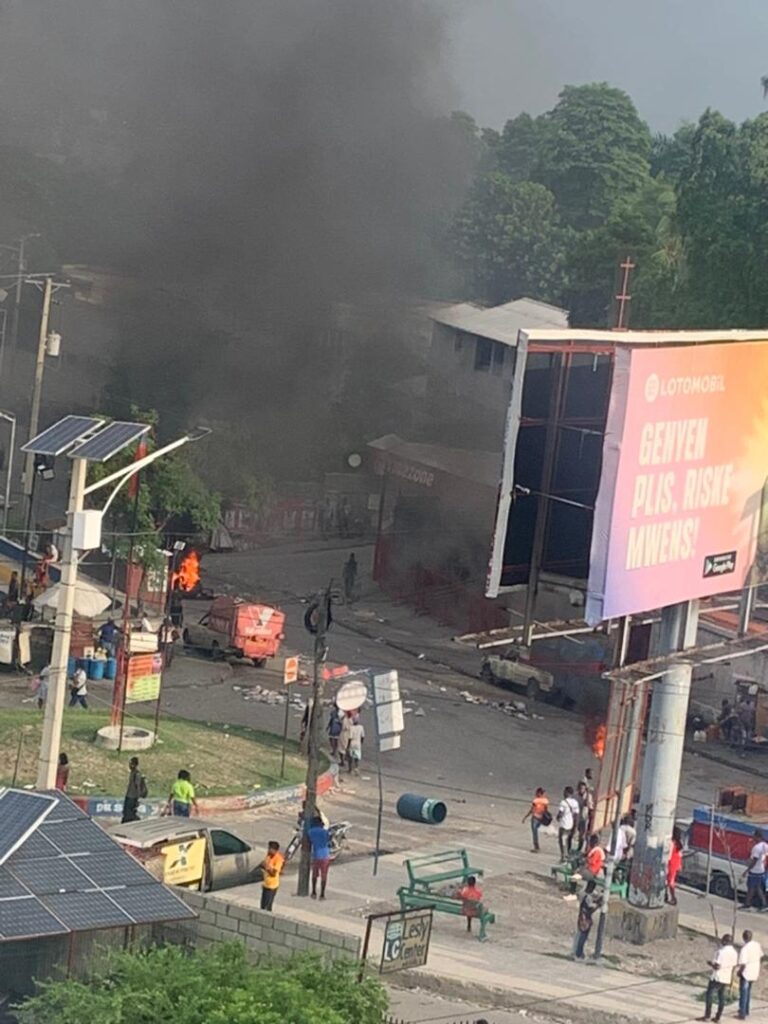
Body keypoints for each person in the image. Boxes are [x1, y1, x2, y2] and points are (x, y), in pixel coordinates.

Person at [699, 934, 737, 1022]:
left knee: (709, 995)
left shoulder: (721, 952)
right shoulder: (734, 953)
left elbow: (717, 966)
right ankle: (718, 1016)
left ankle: (707, 1015)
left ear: (725, 941)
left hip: (717, 977)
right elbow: (734, 965)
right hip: (726, 977)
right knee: (721, 997)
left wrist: (710, 963)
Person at [737, 928, 762, 1019]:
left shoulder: (745, 948)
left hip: (746, 973)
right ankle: (746, 1010)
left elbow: (743, 964)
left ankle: (742, 1012)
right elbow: (760, 955)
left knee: (743, 992)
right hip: (754, 971)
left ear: (744, 938)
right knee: (748, 992)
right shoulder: (757, 945)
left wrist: (739, 972)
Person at [572, 881, 600, 960]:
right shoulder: (588, 897)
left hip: (581, 917)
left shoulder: (583, 894)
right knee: (582, 937)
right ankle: (578, 953)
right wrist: (598, 906)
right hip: (585, 919)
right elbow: (590, 909)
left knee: (580, 935)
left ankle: (578, 952)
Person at [743, 828, 768, 910]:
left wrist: (747, 870)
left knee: (751, 887)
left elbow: (754, 861)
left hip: (755, 871)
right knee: (758, 887)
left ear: (758, 837)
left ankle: (747, 904)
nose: (753, 838)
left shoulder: (757, 848)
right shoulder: (765, 845)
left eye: (754, 836)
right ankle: (764, 904)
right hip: (761, 870)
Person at [307, 815, 331, 899]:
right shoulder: (325, 832)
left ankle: (313, 892)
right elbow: (328, 840)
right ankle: (322, 894)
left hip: (316, 855)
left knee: (314, 874)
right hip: (325, 855)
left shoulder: (310, 832)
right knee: (324, 876)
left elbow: (309, 841)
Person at [522, 787, 550, 853]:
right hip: (541, 817)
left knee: (534, 832)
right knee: (536, 830)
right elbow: (546, 810)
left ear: (538, 793)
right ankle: (536, 846)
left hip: (535, 817)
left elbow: (532, 810)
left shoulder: (536, 801)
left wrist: (525, 817)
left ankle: (536, 847)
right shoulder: (545, 801)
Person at [259, 840, 285, 912]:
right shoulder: (268, 856)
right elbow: (262, 865)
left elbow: (273, 873)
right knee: (262, 905)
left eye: (270, 849)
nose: (269, 850)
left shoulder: (278, 859)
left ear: (275, 850)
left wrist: (266, 867)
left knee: (268, 906)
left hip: (272, 886)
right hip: (266, 884)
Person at [122, 757, 146, 824]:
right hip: (128, 796)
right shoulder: (132, 773)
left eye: (131, 763)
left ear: (134, 764)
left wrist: (137, 799)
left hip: (132, 798)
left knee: (129, 815)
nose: (129, 765)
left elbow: (137, 787)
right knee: (126, 813)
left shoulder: (137, 774)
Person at [556, 786, 577, 861]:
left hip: (564, 824)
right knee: (567, 839)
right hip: (570, 824)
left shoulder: (563, 802)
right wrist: (575, 826)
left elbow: (560, 813)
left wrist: (558, 817)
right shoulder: (575, 802)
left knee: (561, 840)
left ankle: (563, 855)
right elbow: (576, 815)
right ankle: (567, 854)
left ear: (567, 793)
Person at [666, 828, 684, 905]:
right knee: (669, 880)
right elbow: (680, 855)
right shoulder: (679, 844)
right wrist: (679, 865)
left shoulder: (672, 843)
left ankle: (673, 897)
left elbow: (669, 856)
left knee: (670, 881)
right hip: (675, 863)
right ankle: (667, 895)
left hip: (671, 864)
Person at [575, 781, 590, 852]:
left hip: (584, 817)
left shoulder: (587, 796)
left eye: (583, 789)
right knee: (578, 832)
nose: (581, 790)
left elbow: (587, 804)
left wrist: (587, 795)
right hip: (577, 817)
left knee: (582, 834)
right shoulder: (576, 795)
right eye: (580, 788)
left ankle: (581, 848)